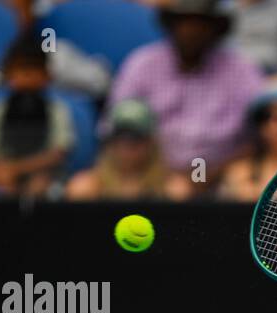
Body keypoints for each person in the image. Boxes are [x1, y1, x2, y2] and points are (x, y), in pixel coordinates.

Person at [107, 0, 263, 183]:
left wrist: (207, 175)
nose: (191, 31)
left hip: (223, 172)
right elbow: (115, 126)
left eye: (200, 24)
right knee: (84, 187)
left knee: (243, 180)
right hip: (152, 172)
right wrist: (160, 172)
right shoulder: (142, 64)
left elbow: (263, 129)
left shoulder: (241, 69)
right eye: (184, 22)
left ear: (215, 29)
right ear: (171, 26)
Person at [0, 32, 76, 197]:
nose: (27, 76)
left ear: (47, 75)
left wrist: (17, 169)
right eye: (20, 69)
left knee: (40, 185)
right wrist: (3, 170)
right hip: (1, 174)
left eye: (34, 69)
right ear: (8, 74)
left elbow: (59, 154)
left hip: (45, 176)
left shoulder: (57, 110)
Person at [65, 98, 192, 200]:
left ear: (151, 142)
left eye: (136, 137)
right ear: (110, 142)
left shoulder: (173, 191)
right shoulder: (86, 189)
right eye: (121, 137)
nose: (127, 145)